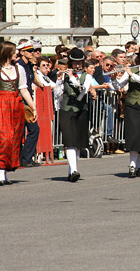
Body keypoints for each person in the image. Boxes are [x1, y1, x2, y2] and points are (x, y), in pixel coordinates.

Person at [0, 42, 36, 186]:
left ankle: (4, 172)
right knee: (2, 139)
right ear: (7, 53)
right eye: (14, 52)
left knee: (13, 139)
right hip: (0, 105)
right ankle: (0, 173)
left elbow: (24, 89)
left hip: (16, 106)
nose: (16, 54)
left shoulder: (19, 69)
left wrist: (33, 107)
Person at [112, 46, 140, 177]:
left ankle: (139, 167)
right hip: (132, 105)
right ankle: (132, 166)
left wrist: (133, 75)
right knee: (134, 135)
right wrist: (114, 78)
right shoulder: (131, 69)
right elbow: (119, 86)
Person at [59, 48, 96, 181]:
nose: (77, 65)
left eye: (80, 62)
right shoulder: (64, 75)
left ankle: (72, 170)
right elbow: (58, 92)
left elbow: (82, 92)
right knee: (70, 141)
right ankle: (74, 170)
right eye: (75, 63)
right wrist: (59, 80)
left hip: (81, 110)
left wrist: (72, 78)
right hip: (66, 109)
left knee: (78, 142)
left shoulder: (88, 76)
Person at [16, 41, 41, 168]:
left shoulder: (29, 65)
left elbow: (32, 80)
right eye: (29, 51)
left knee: (34, 129)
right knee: (19, 131)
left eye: (33, 51)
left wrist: (41, 85)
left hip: (28, 100)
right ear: (22, 52)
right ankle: (20, 158)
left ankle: (26, 158)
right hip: (20, 101)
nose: (33, 53)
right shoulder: (18, 66)